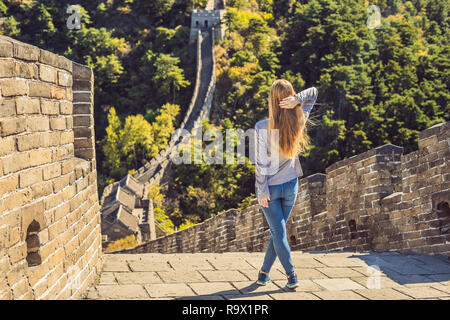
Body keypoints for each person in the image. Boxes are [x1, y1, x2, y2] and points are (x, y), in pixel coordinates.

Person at [254, 79, 318, 289]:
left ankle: (292, 276)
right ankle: (263, 274)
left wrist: (261, 190)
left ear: (272, 101)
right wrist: (297, 101)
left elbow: (261, 164)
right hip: (291, 186)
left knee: (278, 233)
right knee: (277, 233)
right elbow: (314, 92)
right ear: (288, 99)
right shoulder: (299, 119)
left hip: (270, 190)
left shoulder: (262, 126)